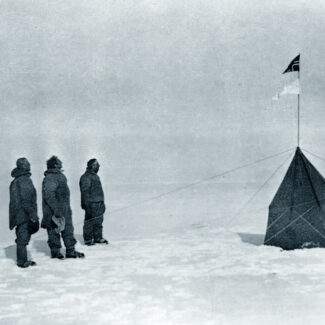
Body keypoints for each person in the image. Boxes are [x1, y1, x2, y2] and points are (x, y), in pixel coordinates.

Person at [41, 156, 85, 259]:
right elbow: (49, 196)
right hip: (52, 211)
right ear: (55, 164)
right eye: (59, 162)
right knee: (53, 231)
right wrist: (56, 210)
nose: (62, 163)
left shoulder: (61, 176)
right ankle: (56, 253)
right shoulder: (50, 177)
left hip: (65, 210)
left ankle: (71, 251)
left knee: (68, 229)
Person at [9, 158, 39, 268]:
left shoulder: (16, 180)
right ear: (23, 166)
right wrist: (33, 215)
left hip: (18, 214)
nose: (29, 164)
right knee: (22, 237)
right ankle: (22, 261)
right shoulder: (24, 180)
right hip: (24, 214)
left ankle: (22, 260)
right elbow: (26, 200)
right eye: (27, 163)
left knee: (22, 236)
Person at [80, 159, 108, 246]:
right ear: (92, 166)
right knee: (89, 221)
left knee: (99, 221)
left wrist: (102, 202)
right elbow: (85, 191)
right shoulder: (86, 177)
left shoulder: (95, 176)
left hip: (99, 202)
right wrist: (87, 204)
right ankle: (88, 239)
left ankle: (98, 237)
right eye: (97, 165)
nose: (99, 167)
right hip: (91, 203)